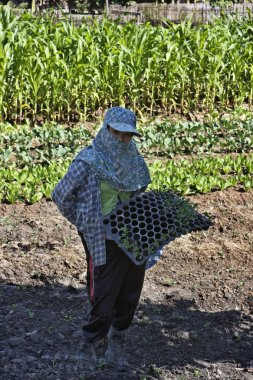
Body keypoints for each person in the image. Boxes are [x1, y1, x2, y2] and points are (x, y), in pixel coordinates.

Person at [52, 106, 152, 369]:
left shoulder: (134, 160)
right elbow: (60, 195)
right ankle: (92, 339)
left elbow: (140, 189)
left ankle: (117, 338)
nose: (121, 139)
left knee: (131, 288)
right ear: (106, 130)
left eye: (127, 135)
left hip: (131, 234)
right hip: (102, 236)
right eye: (116, 133)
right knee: (105, 291)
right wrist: (84, 221)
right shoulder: (88, 162)